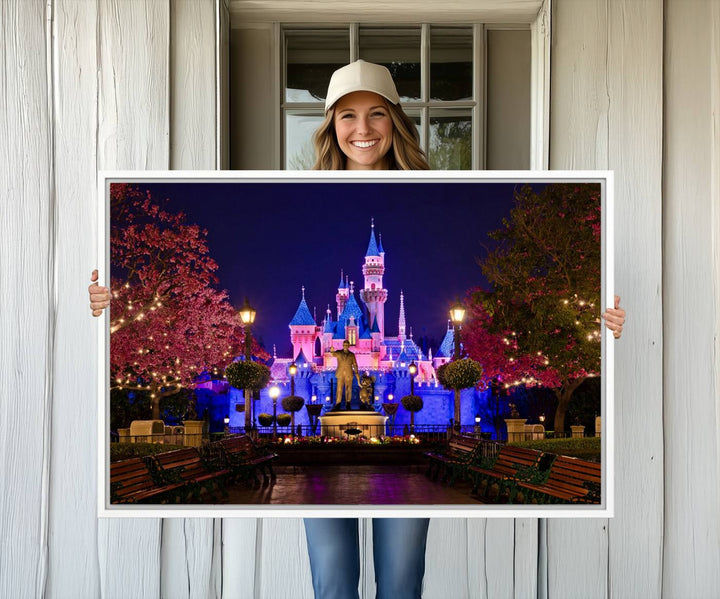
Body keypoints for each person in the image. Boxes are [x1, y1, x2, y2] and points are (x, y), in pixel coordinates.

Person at [88, 60, 626, 599]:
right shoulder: (329, 320)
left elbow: (382, 349)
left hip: (389, 436)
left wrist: (606, 320)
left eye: (376, 115)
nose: (362, 129)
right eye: (348, 115)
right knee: (333, 579)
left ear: (396, 121)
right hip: (331, 453)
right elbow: (324, 349)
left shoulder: (402, 261)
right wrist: (106, 306)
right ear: (330, 125)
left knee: (400, 580)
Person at [327, 340, 360, 408]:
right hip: (340, 373)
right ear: (343, 345)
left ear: (349, 346)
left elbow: (354, 364)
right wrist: (331, 350)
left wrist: (356, 373)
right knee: (339, 389)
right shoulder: (339, 353)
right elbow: (333, 354)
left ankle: (348, 402)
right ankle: (338, 403)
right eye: (344, 345)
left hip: (349, 373)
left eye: (347, 345)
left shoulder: (351, 355)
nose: (345, 346)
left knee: (348, 389)